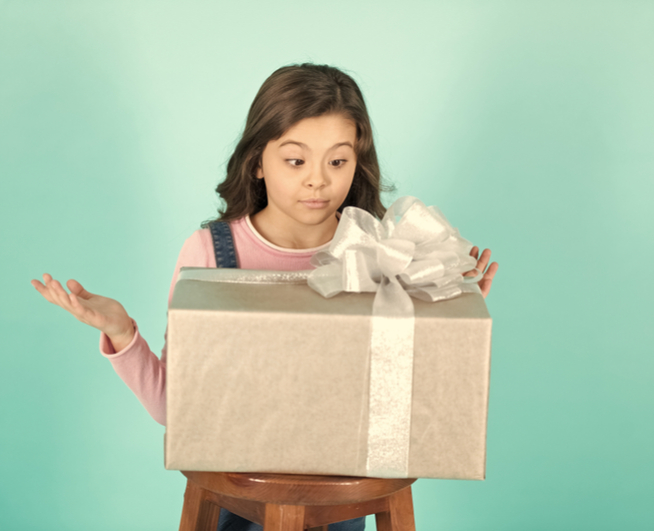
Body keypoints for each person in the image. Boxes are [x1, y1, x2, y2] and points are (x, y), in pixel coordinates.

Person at [30, 62, 499, 531]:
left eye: (337, 161)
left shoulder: (384, 255)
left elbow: (404, 403)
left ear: (358, 163)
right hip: (239, 500)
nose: (317, 180)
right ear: (257, 161)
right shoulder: (211, 254)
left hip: (343, 490)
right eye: (295, 161)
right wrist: (122, 332)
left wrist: (450, 316)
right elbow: (175, 409)